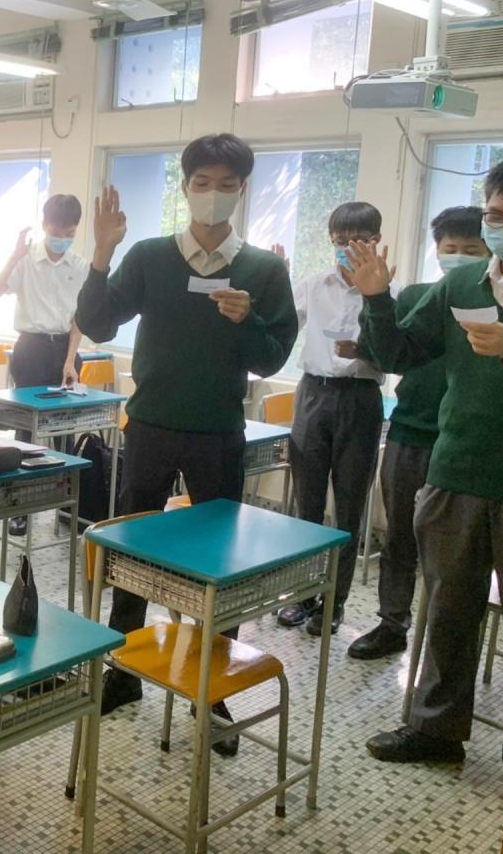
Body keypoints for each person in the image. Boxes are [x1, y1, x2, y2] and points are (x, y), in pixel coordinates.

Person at [352, 149, 503, 830]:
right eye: (496, 215)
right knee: (445, 610)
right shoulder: (463, 281)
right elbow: (399, 354)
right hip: (454, 474)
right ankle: (435, 730)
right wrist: (377, 297)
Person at [74, 132, 298, 746]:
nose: (212, 194)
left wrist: (246, 319)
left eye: (226, 184)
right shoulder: (150, 256)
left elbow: (272, 356)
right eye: (202, 183)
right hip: (149, 425)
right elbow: (96, 323)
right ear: (185, 186)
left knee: (217, 564)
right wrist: (101, 252)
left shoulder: (263, 269)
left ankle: (213, 686)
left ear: (242, 190)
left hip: (218, 433)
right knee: (131, 549)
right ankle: (123, 667)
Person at [348, 206, 488, 660]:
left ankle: (446, 640)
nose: (459, 256)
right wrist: (374, 299)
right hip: (410, 433)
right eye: (451, 248)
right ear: (437, 250)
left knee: (458, 552)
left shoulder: (499, 304)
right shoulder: (417, 297)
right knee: (400, 537)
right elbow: (384, 352)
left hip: (464, 443)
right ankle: (392, 624)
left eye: (472, 249)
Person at [276, 202, 386, 637]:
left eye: (357, 241)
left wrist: (366, 351)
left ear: (375, 241)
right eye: (339, 241)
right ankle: (302, 595)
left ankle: (333, 602)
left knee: (348, 507)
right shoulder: (312, 285)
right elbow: (279, 323)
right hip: (313, 395)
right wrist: (275, 281)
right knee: (306, 505)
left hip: (360, 398)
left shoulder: (388, 293)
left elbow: (397, 352)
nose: (346, 248)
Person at [0, 193, 90, 535]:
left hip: (66, 350)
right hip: (31, 348)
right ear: (45, 225)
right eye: (57, 231)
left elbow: (79, 319)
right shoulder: (26, 259)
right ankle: (20, 507)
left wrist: (70, 360)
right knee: (27, 428)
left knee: (66, 428)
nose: (63, 238)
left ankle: (67, 506)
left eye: (70, 232)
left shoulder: (80, 266)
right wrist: (14, 256)